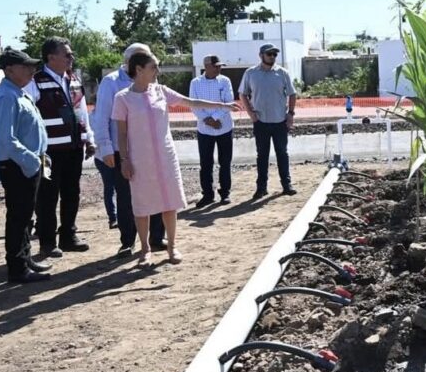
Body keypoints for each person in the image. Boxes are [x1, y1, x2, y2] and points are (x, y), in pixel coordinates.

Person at [113, 51, 239, 265]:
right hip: (139, 159)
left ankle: (171, 246)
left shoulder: (161, 91)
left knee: (169, 200)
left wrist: (223, 106)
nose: (158, 71)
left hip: (165, 155)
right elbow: (122, 132)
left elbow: (190, 102)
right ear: (139, 69)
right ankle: (145, 250)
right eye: (154, 67)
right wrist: (124, 159)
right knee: (142, 203)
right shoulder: (123, 98)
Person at [0, 49, 54, 283]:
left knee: (25, 216)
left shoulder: (17, 93)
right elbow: (4, 138)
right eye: (25, 66)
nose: (31, 70)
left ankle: (24, 260)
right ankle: (17, 268)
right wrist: (32, 161)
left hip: (26, 164)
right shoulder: (6, 96)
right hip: (19, 166)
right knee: (18, 216)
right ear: (9, 70)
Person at [94, 43, 166, 258]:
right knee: (126, 198)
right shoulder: (111, 82)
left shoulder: (152, 82)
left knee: (155, 194)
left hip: (150, 150)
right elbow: (102, 118)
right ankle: (128, 241)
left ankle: (156, 237)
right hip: (122, 150)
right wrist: (106, 148)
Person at [24, 37, 94, 258]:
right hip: (49, 152)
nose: (71, 57)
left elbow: (82, 112)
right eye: (67, 54)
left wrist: (89, 138)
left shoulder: (73, 80)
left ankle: (68, 236)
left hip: (73, 148)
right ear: (51, 57)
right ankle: (47, 241)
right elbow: (27, 115)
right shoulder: (35, 81)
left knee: (72, 193)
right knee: (47, 196)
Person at [239, 43, 297, 200]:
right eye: (269, 54)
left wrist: (290, 114)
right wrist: (250, 113)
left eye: (274, 54)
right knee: (262, 156)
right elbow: (243, 94)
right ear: (261, 55)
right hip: (261, 122)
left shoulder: (282, 73)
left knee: (282, 154)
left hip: (280, 121)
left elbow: (292, 94)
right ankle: (261, 188)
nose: (272, 57)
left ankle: (287, 185)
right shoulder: (251, 73)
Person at [189, 55, 235, 207]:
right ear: (206, 66)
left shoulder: (225, 81)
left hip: (225, 127)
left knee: (225, 162)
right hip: (204, 130)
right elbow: (193, 105)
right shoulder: (195, 83)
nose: (218, 68)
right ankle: (207, 194)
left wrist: (215, 118)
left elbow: (229, 102)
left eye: (219, 66)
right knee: (206, 164)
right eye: (216, 66)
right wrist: (207, 120)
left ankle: (225, 193)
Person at [90, 109, 118, 228]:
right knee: (110, 187)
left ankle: (116, 217)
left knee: (112, 187)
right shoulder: (93, 117)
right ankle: (113, 217)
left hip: (107, 155)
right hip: (102, 157)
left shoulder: (108, 115)